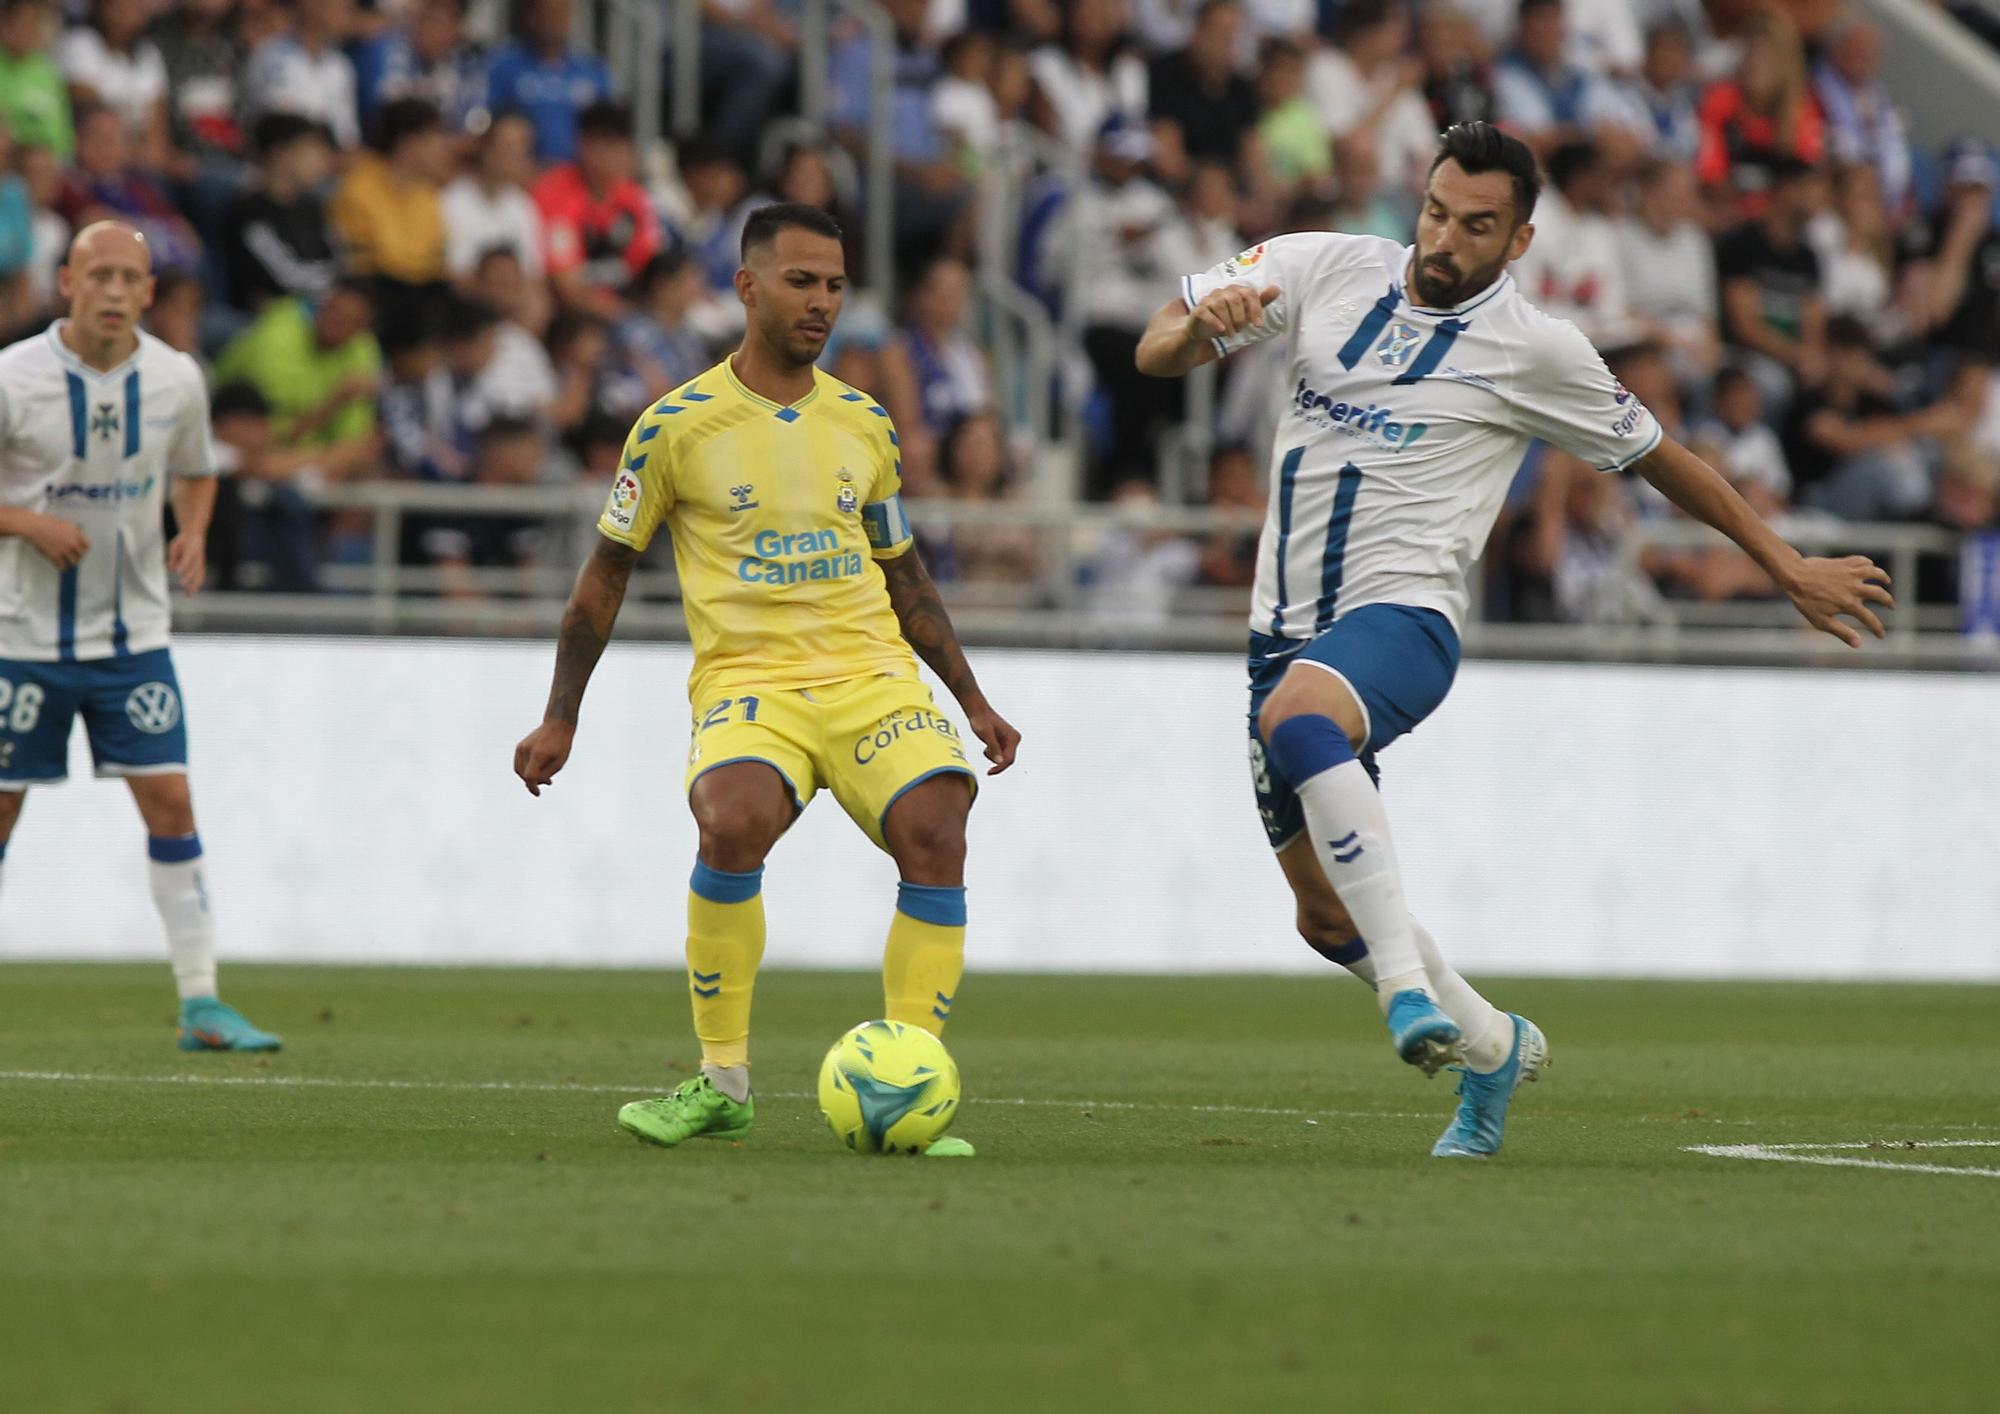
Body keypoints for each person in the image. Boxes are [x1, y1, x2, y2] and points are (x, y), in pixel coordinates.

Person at [1133, 121, 1891, 1158]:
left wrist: (1783, 561)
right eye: (1436, 211)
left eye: (1475, 226)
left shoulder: (1535, 350)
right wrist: (1196, 328)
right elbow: (1155, 344)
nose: (1444, 239)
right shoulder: (1318, 265)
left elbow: (1665, 460)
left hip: (1405, 618)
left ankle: (1405, 998)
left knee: (1298, 719)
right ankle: (1490, 1047)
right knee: (1319, 916)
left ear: (1519, 240)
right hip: (1280, 629)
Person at [513, 203, 1020, 1155]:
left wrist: (973, 700)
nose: (821, 302)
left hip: (871, 670)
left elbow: (903, 570)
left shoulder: (866, 423)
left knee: (938, 824)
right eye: (800, 281)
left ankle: (904, 1086)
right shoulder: (674, 427)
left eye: (834, 285)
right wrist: (559, 719)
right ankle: (722, 1083)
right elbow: (606, 573)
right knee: (732, 818)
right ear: (747, 286)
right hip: (751, 679)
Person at [0, 221, 280, 1051]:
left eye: (132, 277)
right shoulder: (14, 377)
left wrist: (191, 531)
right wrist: (27, 524)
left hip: (132, 639)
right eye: (101, 276)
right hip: (22, 637)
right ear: (67, 283)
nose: (116, 291)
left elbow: (197, 469)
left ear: (151, 292)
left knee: (170, 800)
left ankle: (201, 1003)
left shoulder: (176, 379)